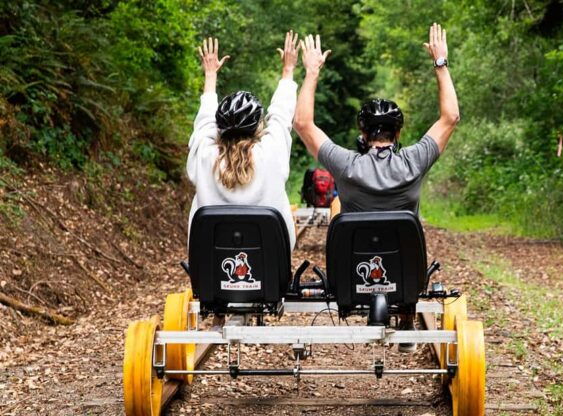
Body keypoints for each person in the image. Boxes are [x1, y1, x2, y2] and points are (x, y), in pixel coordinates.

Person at [293, 24, 460, 352]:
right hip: (405, 274)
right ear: (397, 134)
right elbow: (451, 116)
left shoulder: (346, 165)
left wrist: (311, 72)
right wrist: (440, 63)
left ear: (363, 133)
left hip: (353, 275)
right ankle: (406, 310)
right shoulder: (414, 161)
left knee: (340, 209)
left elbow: (302, 123)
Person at [187, 33, 300, 248]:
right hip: (270, 269)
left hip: (212, 270)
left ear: (218, 128)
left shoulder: (205, 156)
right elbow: (281, 114)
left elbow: (203, 124)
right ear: (259, 127)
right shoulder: (272, 151)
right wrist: (288, 70)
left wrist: (210, 76)